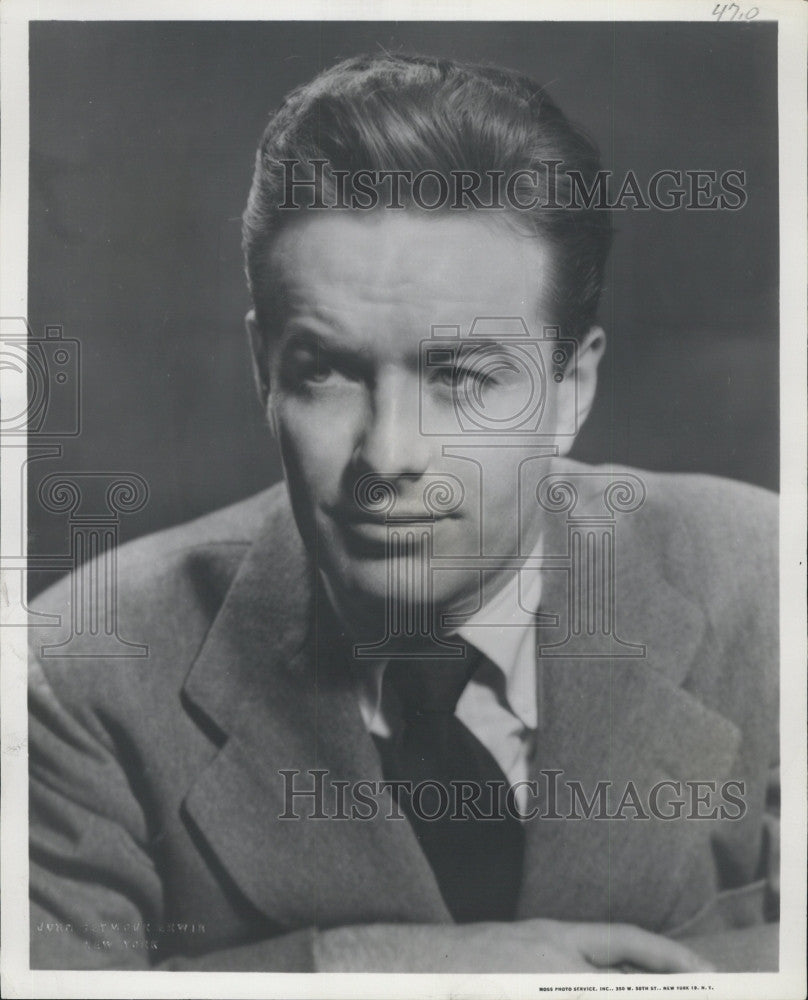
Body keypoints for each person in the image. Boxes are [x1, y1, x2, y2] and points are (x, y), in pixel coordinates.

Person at [29, 53, 778, 973]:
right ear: (265, 370)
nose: (386, 456)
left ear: (570, 387)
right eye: (326, 371)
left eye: (460, 378)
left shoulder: (769, 587)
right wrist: (383, 969)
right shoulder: (75, 671)